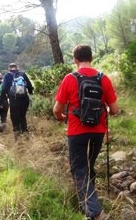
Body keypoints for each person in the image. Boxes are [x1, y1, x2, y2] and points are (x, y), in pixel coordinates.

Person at [53, 45, 119, 220]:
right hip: (98, 131)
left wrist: (62, 117)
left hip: (76, 131)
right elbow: (114, 109)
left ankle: (94, 213)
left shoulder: (70, 78)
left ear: (75, 60)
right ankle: (91, 201)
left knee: (79, 169)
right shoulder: (103, 78)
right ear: (91, 58)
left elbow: (56, 109)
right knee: (89, 166)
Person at [0, 63, 34, 140]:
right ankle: (25, 134)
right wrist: (30, 93)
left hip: (14, 101)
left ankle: (17, 136)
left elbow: (4, 89)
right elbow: (29, 86)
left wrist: (1, 101)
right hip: (25, 100)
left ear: (9, 68)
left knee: (15, 118)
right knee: (22, 116)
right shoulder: (23, 74)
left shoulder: (7, 76)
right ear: (17, 68)